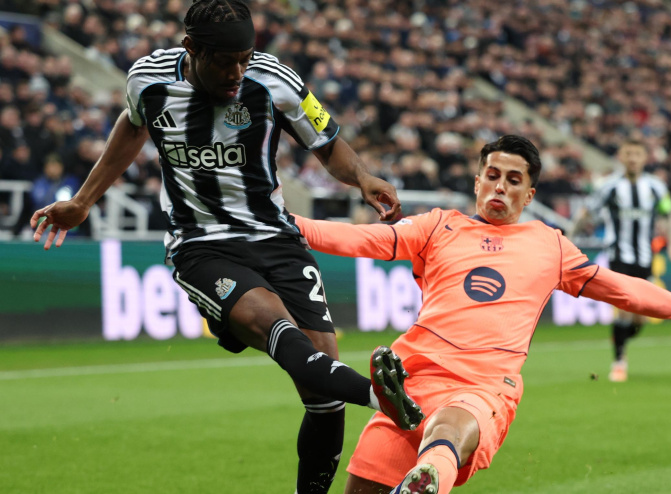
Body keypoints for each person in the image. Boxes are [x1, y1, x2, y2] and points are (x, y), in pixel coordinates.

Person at [29, 1, 423, 493]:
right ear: (191, 48)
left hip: (277, 239)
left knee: (324, 394)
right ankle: (386, 399)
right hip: (201, 245)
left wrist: (362, 176)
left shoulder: (273, 80)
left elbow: (325, 140)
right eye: (224, 61)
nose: (237, 71)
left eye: (245, 57)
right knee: (284, 335)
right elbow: (133, 126)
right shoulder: (149, 80)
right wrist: (84, 199)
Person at [290, 135, 671, 494]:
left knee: (449, 427)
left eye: (514, 180)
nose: (500, 186)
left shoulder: (549, 244)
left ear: (529, 195)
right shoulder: (438, 226)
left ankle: (428, 475)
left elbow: (621, 289)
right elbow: (362, 240)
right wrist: (288, 226)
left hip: (483, 385)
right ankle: (427, 474)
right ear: (477, 181)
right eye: (492, 175)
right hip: (405, 386)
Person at [590, 139, 671, 382]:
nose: (632, 158)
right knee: (623, 310)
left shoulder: (656, 187)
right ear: (621, 156)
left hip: (645, 257)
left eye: (637, 154)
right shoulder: (609, 186)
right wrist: (568, 235)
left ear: (644, 158)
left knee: (641, 317)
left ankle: (619, 338)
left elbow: (669, 213)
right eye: (628, 153)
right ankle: (619, 361)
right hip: (618, 256)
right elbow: (588, 210)